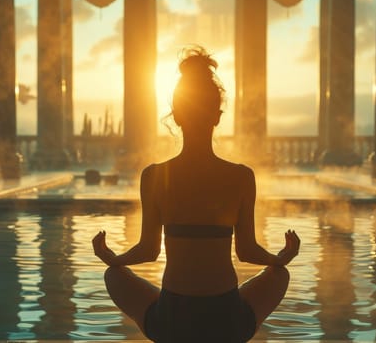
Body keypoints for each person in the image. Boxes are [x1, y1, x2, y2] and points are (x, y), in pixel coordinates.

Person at [92, 46, 300, 343]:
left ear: (176, 116)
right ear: (217, 116)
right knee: (279, 275)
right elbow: (247, 251)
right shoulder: (241, 176)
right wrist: (281, 257)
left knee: (113, 275)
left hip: (171, 322)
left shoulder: (154, 176)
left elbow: (149, 251)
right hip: (227, 322)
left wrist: (111, 257)